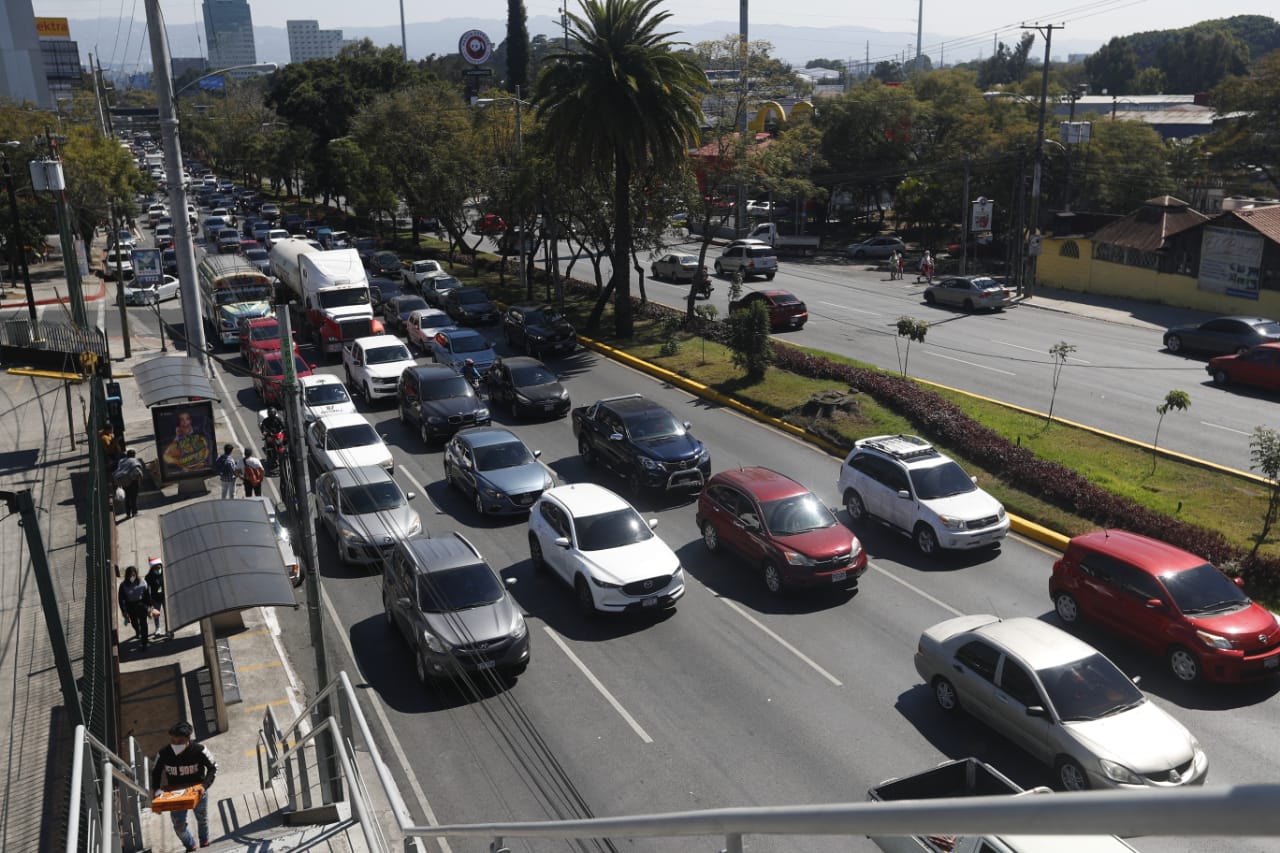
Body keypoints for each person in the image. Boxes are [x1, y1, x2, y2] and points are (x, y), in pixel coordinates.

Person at [151, 721, 218, 851]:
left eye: (180, 741)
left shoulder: (200, 750)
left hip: (198, 792)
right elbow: (156, 772)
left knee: (202, 819)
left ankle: (204, 842)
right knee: (178, 826)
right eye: (173, 741)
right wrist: (157, 789)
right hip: (175, 794)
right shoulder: (163, 753)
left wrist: (204, 786)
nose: (175, 744)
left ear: (188, 739)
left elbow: (213, 767)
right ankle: (190, 845)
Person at [162, 409, 212, 475]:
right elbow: (167, 454)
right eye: (182, 419)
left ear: (190, 420)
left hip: (197, 462)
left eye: (187, 419)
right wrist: (177, 438)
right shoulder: (176, 434)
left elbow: (206, 448)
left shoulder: (199, 432)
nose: (185, 422)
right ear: (179, 422)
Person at [117, 566, 152, 650]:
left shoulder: (142, 582)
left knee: (143, 624)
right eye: (130, 575)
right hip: (131, 606)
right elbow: (121, 599)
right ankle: (138, 630)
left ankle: (145, 642)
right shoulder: (123, 586)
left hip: (141, 605)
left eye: (133, 575)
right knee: (134, 622)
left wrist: (149, 607)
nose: (132, 577)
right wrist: (124, 611)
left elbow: (147, 595)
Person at [113, 449, 146, 518]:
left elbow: (119, 469)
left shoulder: (122, 461)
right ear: (134, 455)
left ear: (127, 455)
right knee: (133, 498)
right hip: (133, 482)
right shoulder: (134, 461)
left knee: (127, 498)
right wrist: (139, 482)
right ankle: (134, 512)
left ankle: (128, 514)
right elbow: (138, 473)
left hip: (124, 482)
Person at [144, 557, 165, 636]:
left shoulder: (164, 573)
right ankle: (158, 628)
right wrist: (150, 601)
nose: (158, 569)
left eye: (159, 568)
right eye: (156, 568)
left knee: (168, 614)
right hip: (155, 598)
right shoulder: (148, 577)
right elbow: (147, 590)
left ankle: (169, 629)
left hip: (165, 597)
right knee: (156, 614)